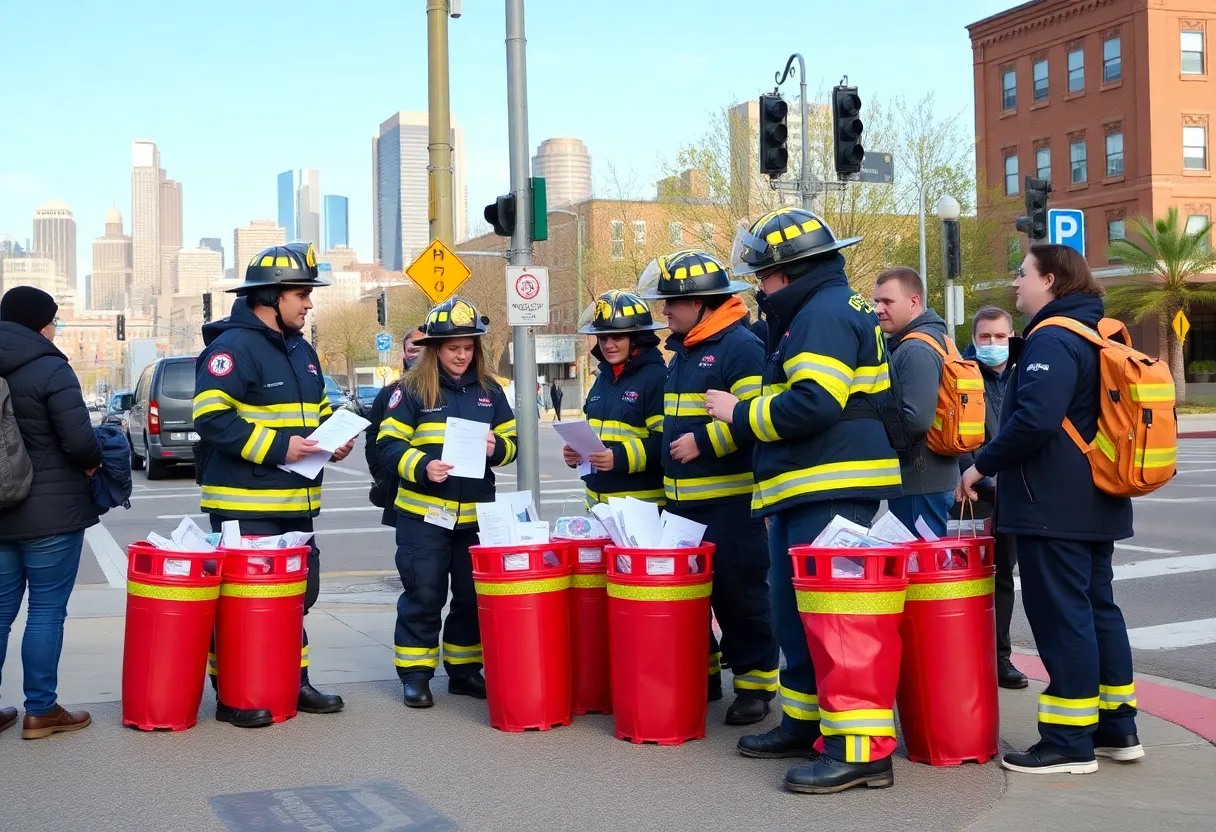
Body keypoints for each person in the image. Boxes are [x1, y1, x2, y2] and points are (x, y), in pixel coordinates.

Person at [706, 207, 902, 794]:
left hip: (830, 487)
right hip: (808, 488)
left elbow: (815, 403)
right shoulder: (817, 310)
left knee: (835, 625)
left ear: (787, 274)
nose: (759, 288)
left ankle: (860, 750)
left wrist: (739, 414)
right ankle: (806, 721)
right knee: (796, 618)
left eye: (763, 276)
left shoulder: (821, 315)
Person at [957, 244, 1139, 775]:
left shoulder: (1052, 337)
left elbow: (1036, 420)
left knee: (1064, 619)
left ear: (1053, 281)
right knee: (1097, 610)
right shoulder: (1095, 331)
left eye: (1023, 274)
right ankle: (1115, 727)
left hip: (1052, 504)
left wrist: (980, 464)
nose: (1016, 284)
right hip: (1095, 497)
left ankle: (1067, 742)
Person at [194, 242, 353, 728]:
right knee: (246, 604)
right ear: (269, 296)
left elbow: (317, 411)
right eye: (301, 294)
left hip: (296, 500)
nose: (308, 303)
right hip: (247, 503)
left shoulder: (301, 349)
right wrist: (280, 447)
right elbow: (211, 418)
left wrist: (334, 438)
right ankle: (234, 693)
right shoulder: (232, 348)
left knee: (296, 597)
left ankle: (294, 681)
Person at [638, 249, 779, 725]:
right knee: (696, 599)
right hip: (684, 506)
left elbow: (755, 417)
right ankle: (708, 679)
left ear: (699, 303)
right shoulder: (684, 349)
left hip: (730, 504)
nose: (664, 312)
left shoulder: (740, 346)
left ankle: (756, 686)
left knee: (740, 596)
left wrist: (704, 442)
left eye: (671, 304)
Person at [376, 297, 517, 709]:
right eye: (453, 347)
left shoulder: (492, 391)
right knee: (425, 594)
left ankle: (464, 671)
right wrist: (422, 466)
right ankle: (416, 676)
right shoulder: (411, 390)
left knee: (471, 599)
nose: (461, 354)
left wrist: (498, 448)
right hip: (423, 515)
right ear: (436, 349)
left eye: (468, 347)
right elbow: (387, 446)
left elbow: (513, 445)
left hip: (475, 518)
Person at [0, 286, 100, 740]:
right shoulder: (49, 368)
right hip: (51, 512)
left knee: (0, 612)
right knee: (45, 610)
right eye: (54, 320)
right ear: (41, 323)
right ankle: (41, 711)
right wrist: (93, 461)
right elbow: (79, 441)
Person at [958, 306, 1028, 690]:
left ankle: (1000, 658)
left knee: (1003, 577)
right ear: (974, 339)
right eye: (985, 337)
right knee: (967, 579)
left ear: (1011, 336)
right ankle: (964, 656)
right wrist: (972, 471)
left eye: (1000, 337)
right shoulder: (962, 375)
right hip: (972, 492)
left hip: (1014, 492)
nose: (993, 344)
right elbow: (950, 428)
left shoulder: (1026, 371)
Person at [872, 268, 959, 537]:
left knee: (920, 573)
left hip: (920, 480)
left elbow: (916, 419)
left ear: (913, 302)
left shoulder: (915, 349)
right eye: (876, 301)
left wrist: (870, 433)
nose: (878, 309)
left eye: (887, 302)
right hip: (929, 479)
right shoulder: (933, 339)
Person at [564, 290, 667, 507]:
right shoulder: (603, 378)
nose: (608, 345)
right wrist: (576, 453)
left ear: (637, 339)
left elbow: (665, 442)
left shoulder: (656, 378)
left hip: (640, 508)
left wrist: (620, 457)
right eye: (602, 337)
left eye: (617, 337)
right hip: (599, 507)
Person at [366, 326, 426, 522]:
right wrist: (382, 476)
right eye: (413, 350)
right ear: (403, 353)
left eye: (423, 350)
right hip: (401, 490)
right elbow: (373, 436)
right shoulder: (390, 393)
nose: (418, 356)